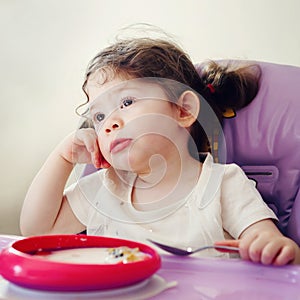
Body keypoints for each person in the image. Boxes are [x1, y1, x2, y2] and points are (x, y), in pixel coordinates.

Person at [20, 34, 300, 266]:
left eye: (127, 102)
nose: (109, 124)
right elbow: (37, 231)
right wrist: (62, 157)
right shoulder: (102, 191)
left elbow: (273, 245)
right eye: (99, 117)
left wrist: (268, 247)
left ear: (183, 110)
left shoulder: (223, 184)